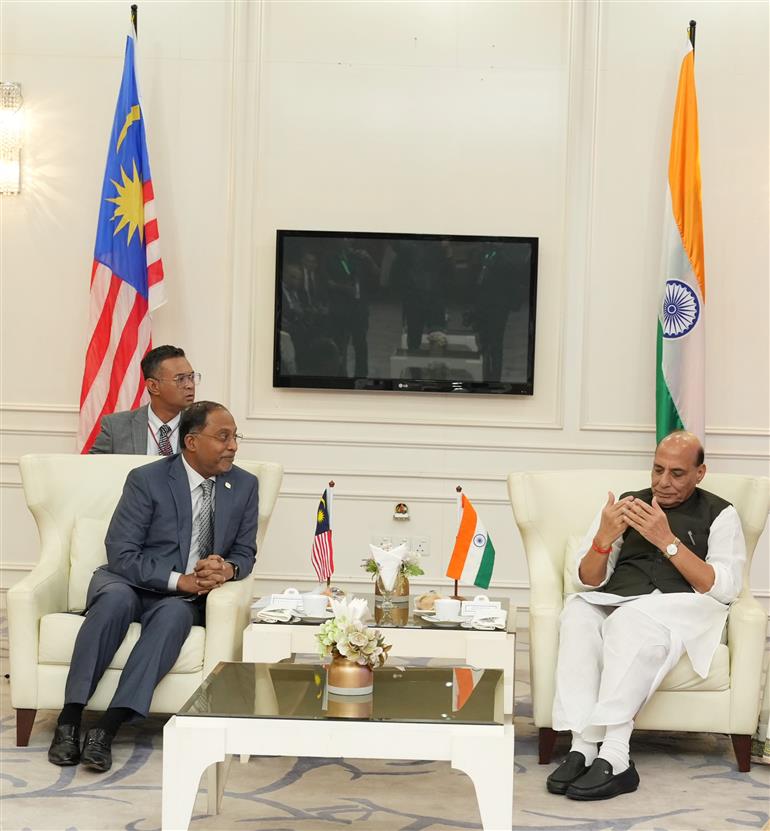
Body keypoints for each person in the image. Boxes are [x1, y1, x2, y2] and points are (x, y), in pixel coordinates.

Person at [48, 401, 258, 772]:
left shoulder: (243, 485)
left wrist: (225, 568)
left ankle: (106, 729)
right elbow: (121, 553)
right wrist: (182, 578)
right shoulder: (147, 479)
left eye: (235, 437)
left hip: (179, 598)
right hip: (127, 581)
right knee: (112, 604)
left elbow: (245, 551)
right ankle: (69, 719)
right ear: (191, 442)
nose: (233, 446)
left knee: (175, 617)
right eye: (223, 437)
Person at [546, 431, 746, 800]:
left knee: (628, 622)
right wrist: (602, 539)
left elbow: (723, 587)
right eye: (657, 470)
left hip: (680, 610)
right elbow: (587, 580)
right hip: (621, 599)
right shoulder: (628, 504)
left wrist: (666, 540)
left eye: (677, 473)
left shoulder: (721, 513)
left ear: (700, 473)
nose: (662, 482)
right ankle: (582, 746)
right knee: (577, 612)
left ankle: (615, 754)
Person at [89, 344, 199, 455]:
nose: (190, 385)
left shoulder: (201, 427)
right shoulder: (115, 427)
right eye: (180, 379)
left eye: (191, 377)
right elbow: (93, 468)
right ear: (153, 386)